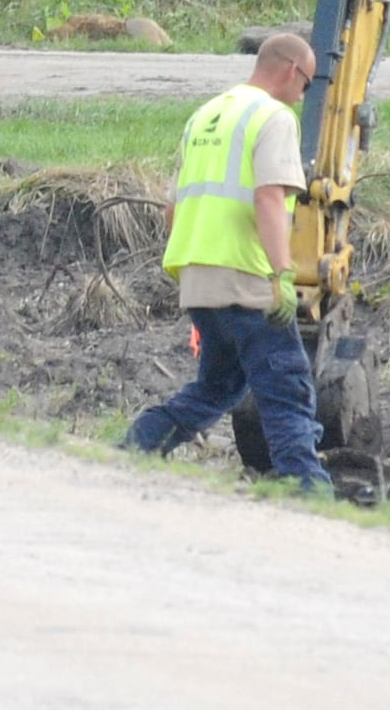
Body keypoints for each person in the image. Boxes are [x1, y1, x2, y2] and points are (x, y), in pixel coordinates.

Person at [122, 30, 335, 493]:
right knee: (286, 385)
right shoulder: (273, 117)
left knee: (218, 387)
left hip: (197, 276)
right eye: (306, 85)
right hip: (245, 276)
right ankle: (309, 488)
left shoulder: (206, 115)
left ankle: (137, 445)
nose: (303, 97)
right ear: (291, 70)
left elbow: (173, 209)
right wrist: (282, 274)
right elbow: (268, 199)